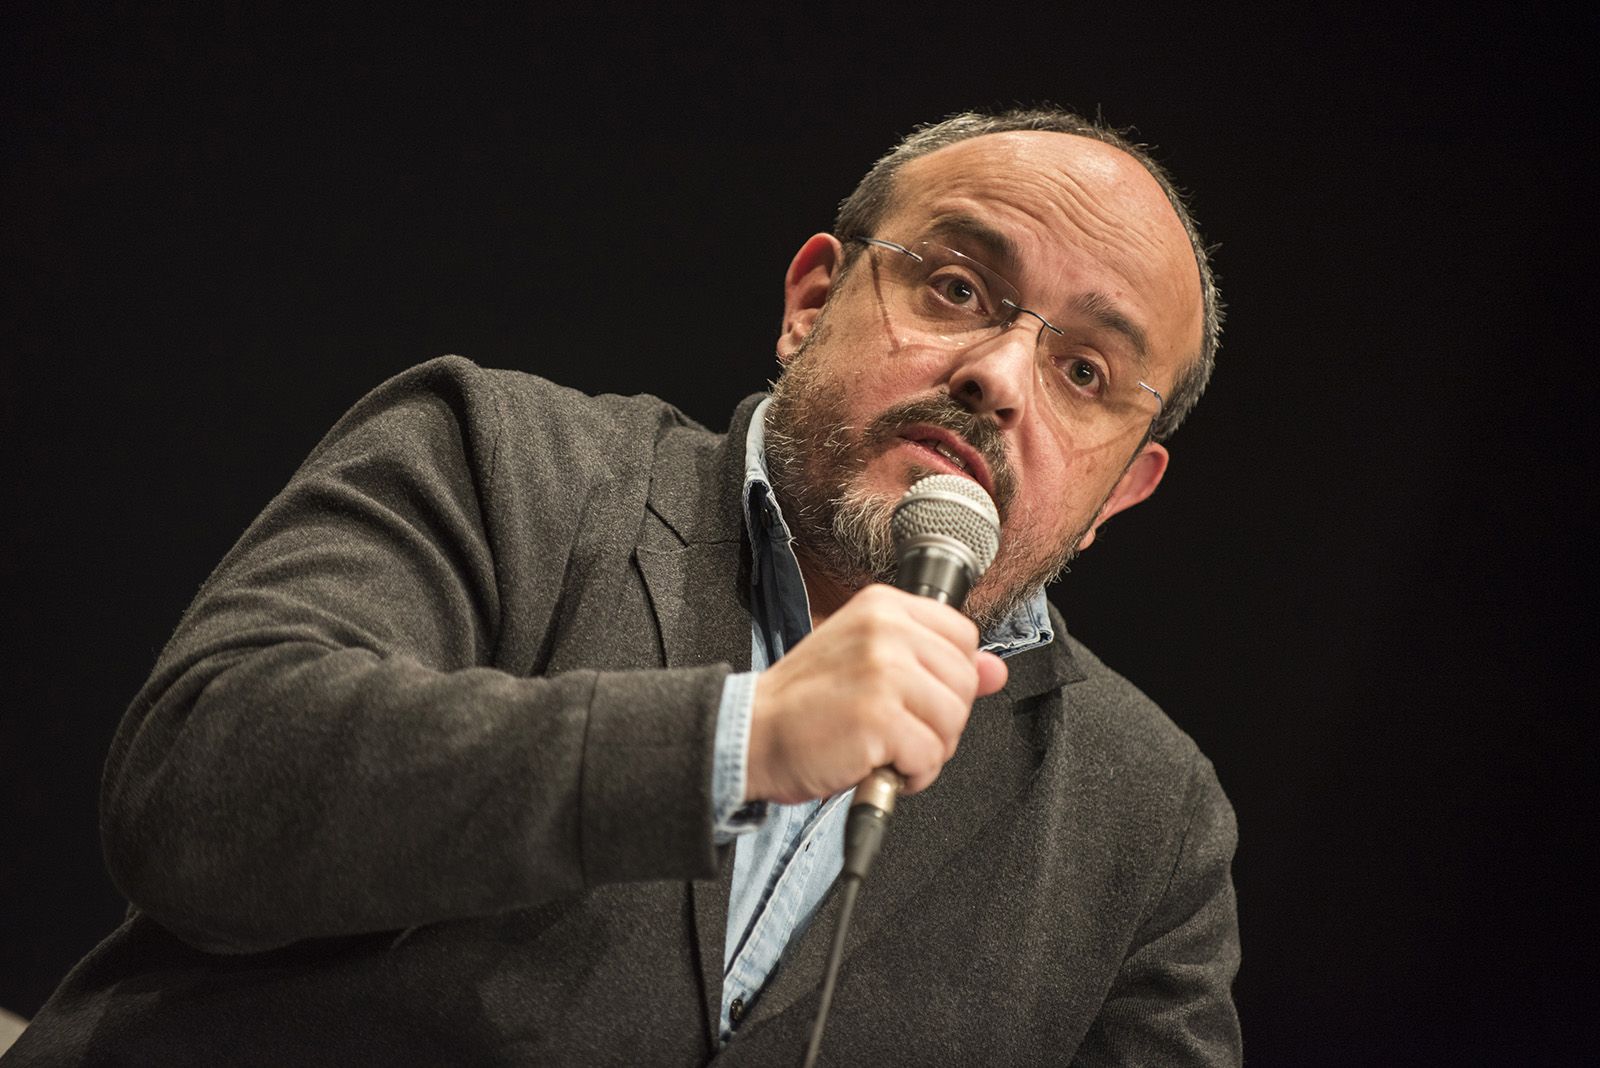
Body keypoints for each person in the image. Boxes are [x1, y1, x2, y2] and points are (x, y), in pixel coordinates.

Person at [6, 108, 1240, 1065]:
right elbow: (199, 791)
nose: (999, 377)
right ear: (812, 299)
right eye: (957, 289)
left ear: (1124, 486)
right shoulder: (502, 456)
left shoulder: (1153, 823)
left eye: (1084, 371)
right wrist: (733, 741)